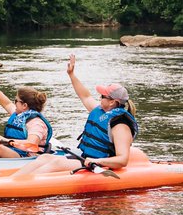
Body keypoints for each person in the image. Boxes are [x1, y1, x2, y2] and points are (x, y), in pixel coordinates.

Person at [9, 54, 138, 179]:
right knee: (45, 157)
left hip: (100, 164)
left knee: (56, 163)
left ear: (112, 102)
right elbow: (85, 95)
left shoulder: (120, 125)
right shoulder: (100, 111)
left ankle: (18, 184)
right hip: (86, 157)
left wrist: (97, 160)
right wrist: (71, 75)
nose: (99, 97)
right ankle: (11, 180)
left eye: (103, 96)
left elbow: (122, 160)